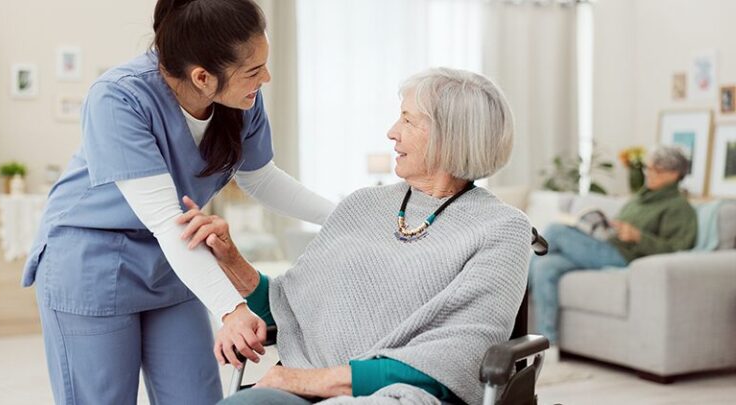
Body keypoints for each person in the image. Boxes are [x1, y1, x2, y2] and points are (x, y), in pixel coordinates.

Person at [21, 1, 334, 403]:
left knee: (195, 396)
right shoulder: (118, 98)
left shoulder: (241, 101)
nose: (266, 78)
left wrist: (343, 215)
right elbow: (165, 218)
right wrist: (230, 309)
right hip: (92, 261)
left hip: (177, 257)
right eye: (254, 71)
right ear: (202, 77)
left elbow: (262, 179)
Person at [181, 68, 532, 404]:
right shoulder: (364, 204)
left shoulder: (501, 228)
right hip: (300, 384)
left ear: (450, 135)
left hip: (407, 394)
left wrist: (306, 381)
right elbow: (288, 310)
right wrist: (230, 258)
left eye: (408, 120)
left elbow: (459, 357)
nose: (392, 132)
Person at [529, 145, 697, 344]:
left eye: (655, 170)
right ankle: (547, 344)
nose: (648, 174)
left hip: (624, 257)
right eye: (648, 168)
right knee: (545, 265)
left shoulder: (679, 207)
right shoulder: (641, 198)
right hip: (606, 245)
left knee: (556, 231)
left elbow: (677, 250)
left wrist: (639, 237)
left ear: (674, 174)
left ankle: (515, 287)